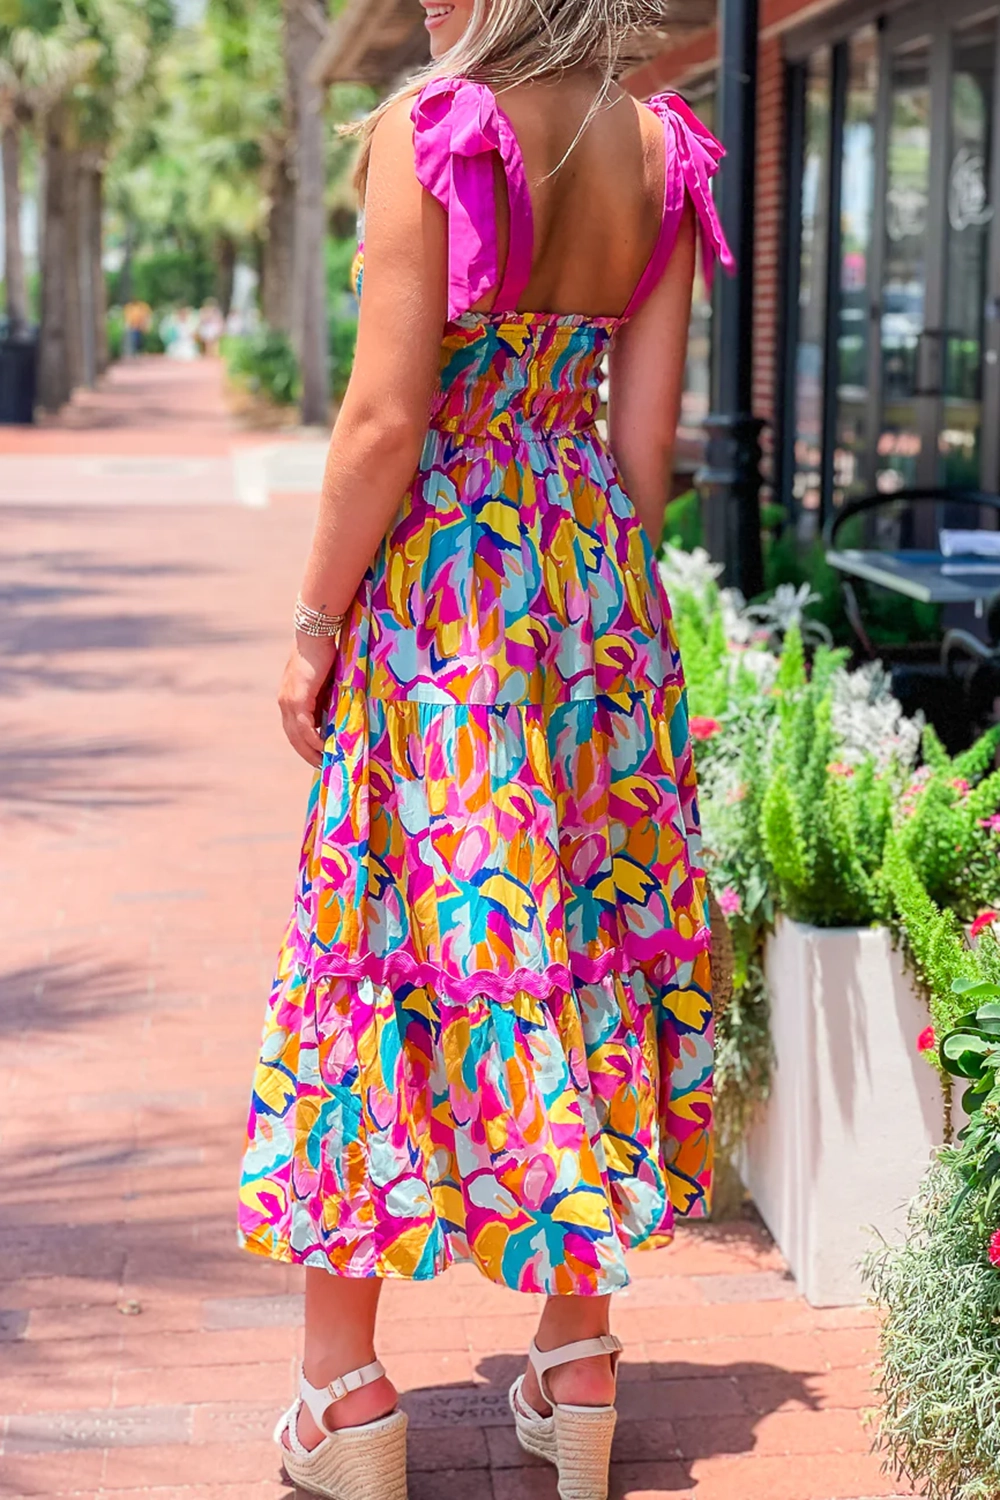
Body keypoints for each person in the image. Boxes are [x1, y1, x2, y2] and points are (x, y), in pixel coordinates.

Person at [238, 1, 733, 1496]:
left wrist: (318, 623)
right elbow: (642, 455)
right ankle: (576, 1361)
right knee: (582, 936)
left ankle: (348, 1396)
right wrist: (579, 594)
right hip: (591, 593)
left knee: (383, 941)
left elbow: (385, 418)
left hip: (446, 596)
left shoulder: (434, 129)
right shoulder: (663, 148)